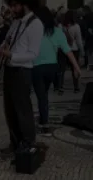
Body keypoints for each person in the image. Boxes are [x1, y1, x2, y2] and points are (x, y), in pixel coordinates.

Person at [0, 0, 43, 156]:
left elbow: (33, 54)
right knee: (10, 109)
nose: (12, 9)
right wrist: (2, 47)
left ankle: (28, 142)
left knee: (23, 109)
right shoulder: (17, 22)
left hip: (23, 71)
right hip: (10, 70)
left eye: (15, 5)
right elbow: (8, 40)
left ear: (25, 4)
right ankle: (15, 142)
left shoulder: (36, 24)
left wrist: (12, 55)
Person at [33, 6, 81, 136]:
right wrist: (76, 67)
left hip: (37, 67)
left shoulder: (34, 31)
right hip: (52, 68)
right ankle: (44, 121)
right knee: (44, 95)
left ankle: (44, 124)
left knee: (42, 97)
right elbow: (68, 51)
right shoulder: (57, 31)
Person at [62, 10, 84, 93]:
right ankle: (76, 87)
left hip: (64, 49)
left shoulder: (62, 26)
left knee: (62, 69)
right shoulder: (76, 26)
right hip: (74, 49)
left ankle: (60, 86)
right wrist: (82, 51)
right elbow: (79, 40)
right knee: (74, 68)